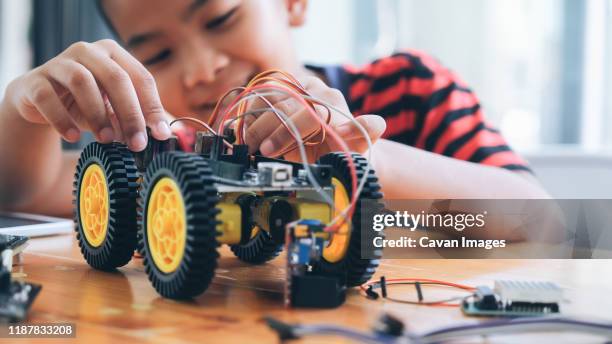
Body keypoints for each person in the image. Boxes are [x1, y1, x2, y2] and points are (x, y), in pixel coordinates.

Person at [0, 0, 548, 230]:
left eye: (221, 18)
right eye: (159, 54)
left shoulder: (410, 90)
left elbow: (541, 221)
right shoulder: (177, 154)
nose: (197, 70)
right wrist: (19, 110)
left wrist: (355, 156)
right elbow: (24, 193)